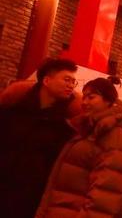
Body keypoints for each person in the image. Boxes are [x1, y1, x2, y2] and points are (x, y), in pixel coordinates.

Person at [36, 77, 122, 217]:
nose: (84, 102)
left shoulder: (114, 136)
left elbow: (104, 197)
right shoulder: (88, 129)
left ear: (108, 101)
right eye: (84, 97)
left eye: (91, 97)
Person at [0, 58, 80, 218]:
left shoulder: (68, 123)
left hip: (34, 199)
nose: (71, 85)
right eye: (66, 79)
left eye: (73, 82)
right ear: (47, 80)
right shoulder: (14, 108)